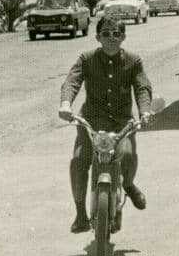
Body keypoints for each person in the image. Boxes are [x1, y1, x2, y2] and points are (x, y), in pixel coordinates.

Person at [59, 16, 153, 233]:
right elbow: (72, 81)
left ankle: (128, 185)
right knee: (79, 160)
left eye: (116, 34)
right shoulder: (87, 59)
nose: (112, 38)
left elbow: (142, 87)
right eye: (106, 34)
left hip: (122, 123)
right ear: (98, 37)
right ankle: (80, 214)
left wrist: (145, 111)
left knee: (127, 155)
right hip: (91, 122)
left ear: (123, 37)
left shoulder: (133, 61)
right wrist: (65, 104)